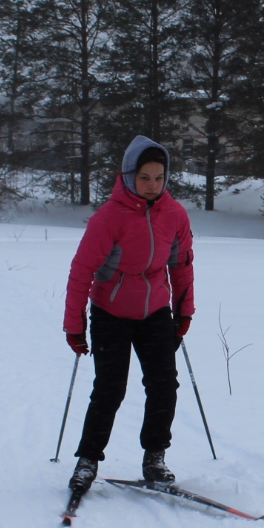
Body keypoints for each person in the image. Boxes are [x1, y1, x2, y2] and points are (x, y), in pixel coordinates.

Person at [62, 136, 194, 499]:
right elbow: (81, 271)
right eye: (145, 177)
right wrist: (74, 325)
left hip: (155, 311)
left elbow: (181, 266)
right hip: (111, 313)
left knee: (164, 384)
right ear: (128, 176)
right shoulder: (109, 218)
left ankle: (155, 458)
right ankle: (87, 460)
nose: (152, 185)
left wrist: (184, 312)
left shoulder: (175, 215)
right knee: (109, 389)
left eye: (159, 177)